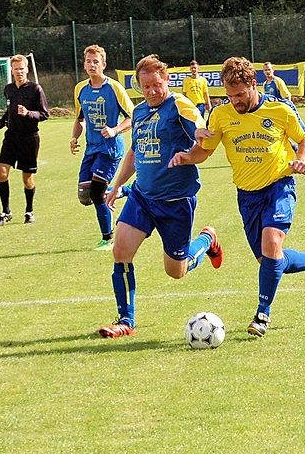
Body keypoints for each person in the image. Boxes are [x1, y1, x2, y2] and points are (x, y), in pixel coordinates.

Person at [169, 57, 305, 337]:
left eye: (239, 94)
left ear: (253, 84)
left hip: (279, 185)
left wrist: (303, 159)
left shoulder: (280, 109)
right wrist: (187, 157)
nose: (234, 101)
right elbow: (206, 150)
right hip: (247, 196)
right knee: (270, 261)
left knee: (272, 243)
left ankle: (263, 314)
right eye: (229, 95)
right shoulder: (221, 115)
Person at [98, 54, 224, 338]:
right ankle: (126, 320)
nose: (153, 91)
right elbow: (134, 151)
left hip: (176, 202)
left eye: (157, 85)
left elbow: (195, 122)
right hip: (143, 198)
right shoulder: (140, 112)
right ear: (139, 88)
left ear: (166, 80)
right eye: (146, 87)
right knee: (120, 252)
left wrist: (200, 132)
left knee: (176, 271)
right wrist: (118, 184)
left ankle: (207, 240)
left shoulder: (178, 103)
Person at [70, 44, 135, 250]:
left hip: (110, 149)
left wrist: (115, 130)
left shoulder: (114, 88)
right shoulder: (80, 89)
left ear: (103, 64)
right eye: (88, 61)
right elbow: (80, 118)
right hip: (92, 148)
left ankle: (108, 238)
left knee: (97, 193)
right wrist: (74, 138)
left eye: (95, 61)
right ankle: (124, 191)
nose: (91, 65)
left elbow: (132, 117)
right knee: (84, 195)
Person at [0, 54, 50, 225]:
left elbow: (45, 114)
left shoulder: (35, 89)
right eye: (16, 69)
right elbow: (9, 111)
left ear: (27, 69)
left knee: (27, 179)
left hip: (29, 139)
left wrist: (28, 113)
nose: (19, 72)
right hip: (11, 137)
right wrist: (1, 123)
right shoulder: (8, 89)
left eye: (22, 69)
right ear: (12, 70)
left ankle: (29, 211)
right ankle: (5, 212)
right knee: (2, 172)